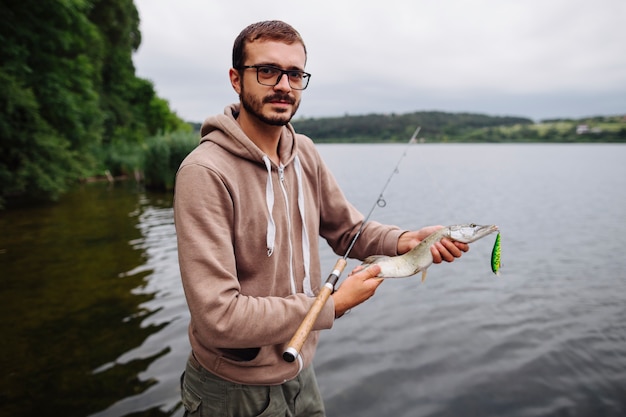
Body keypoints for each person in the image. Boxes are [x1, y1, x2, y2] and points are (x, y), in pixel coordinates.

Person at [174, 20, 469, 417]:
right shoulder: (205, 172)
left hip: (300, 372)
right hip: (231, 392)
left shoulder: (305, 153)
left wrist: (407, 241)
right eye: (267, 71)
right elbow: (217, 318)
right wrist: (330, 304)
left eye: (295, 74)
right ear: (235, 78)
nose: (283, 85)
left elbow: (348, 230)